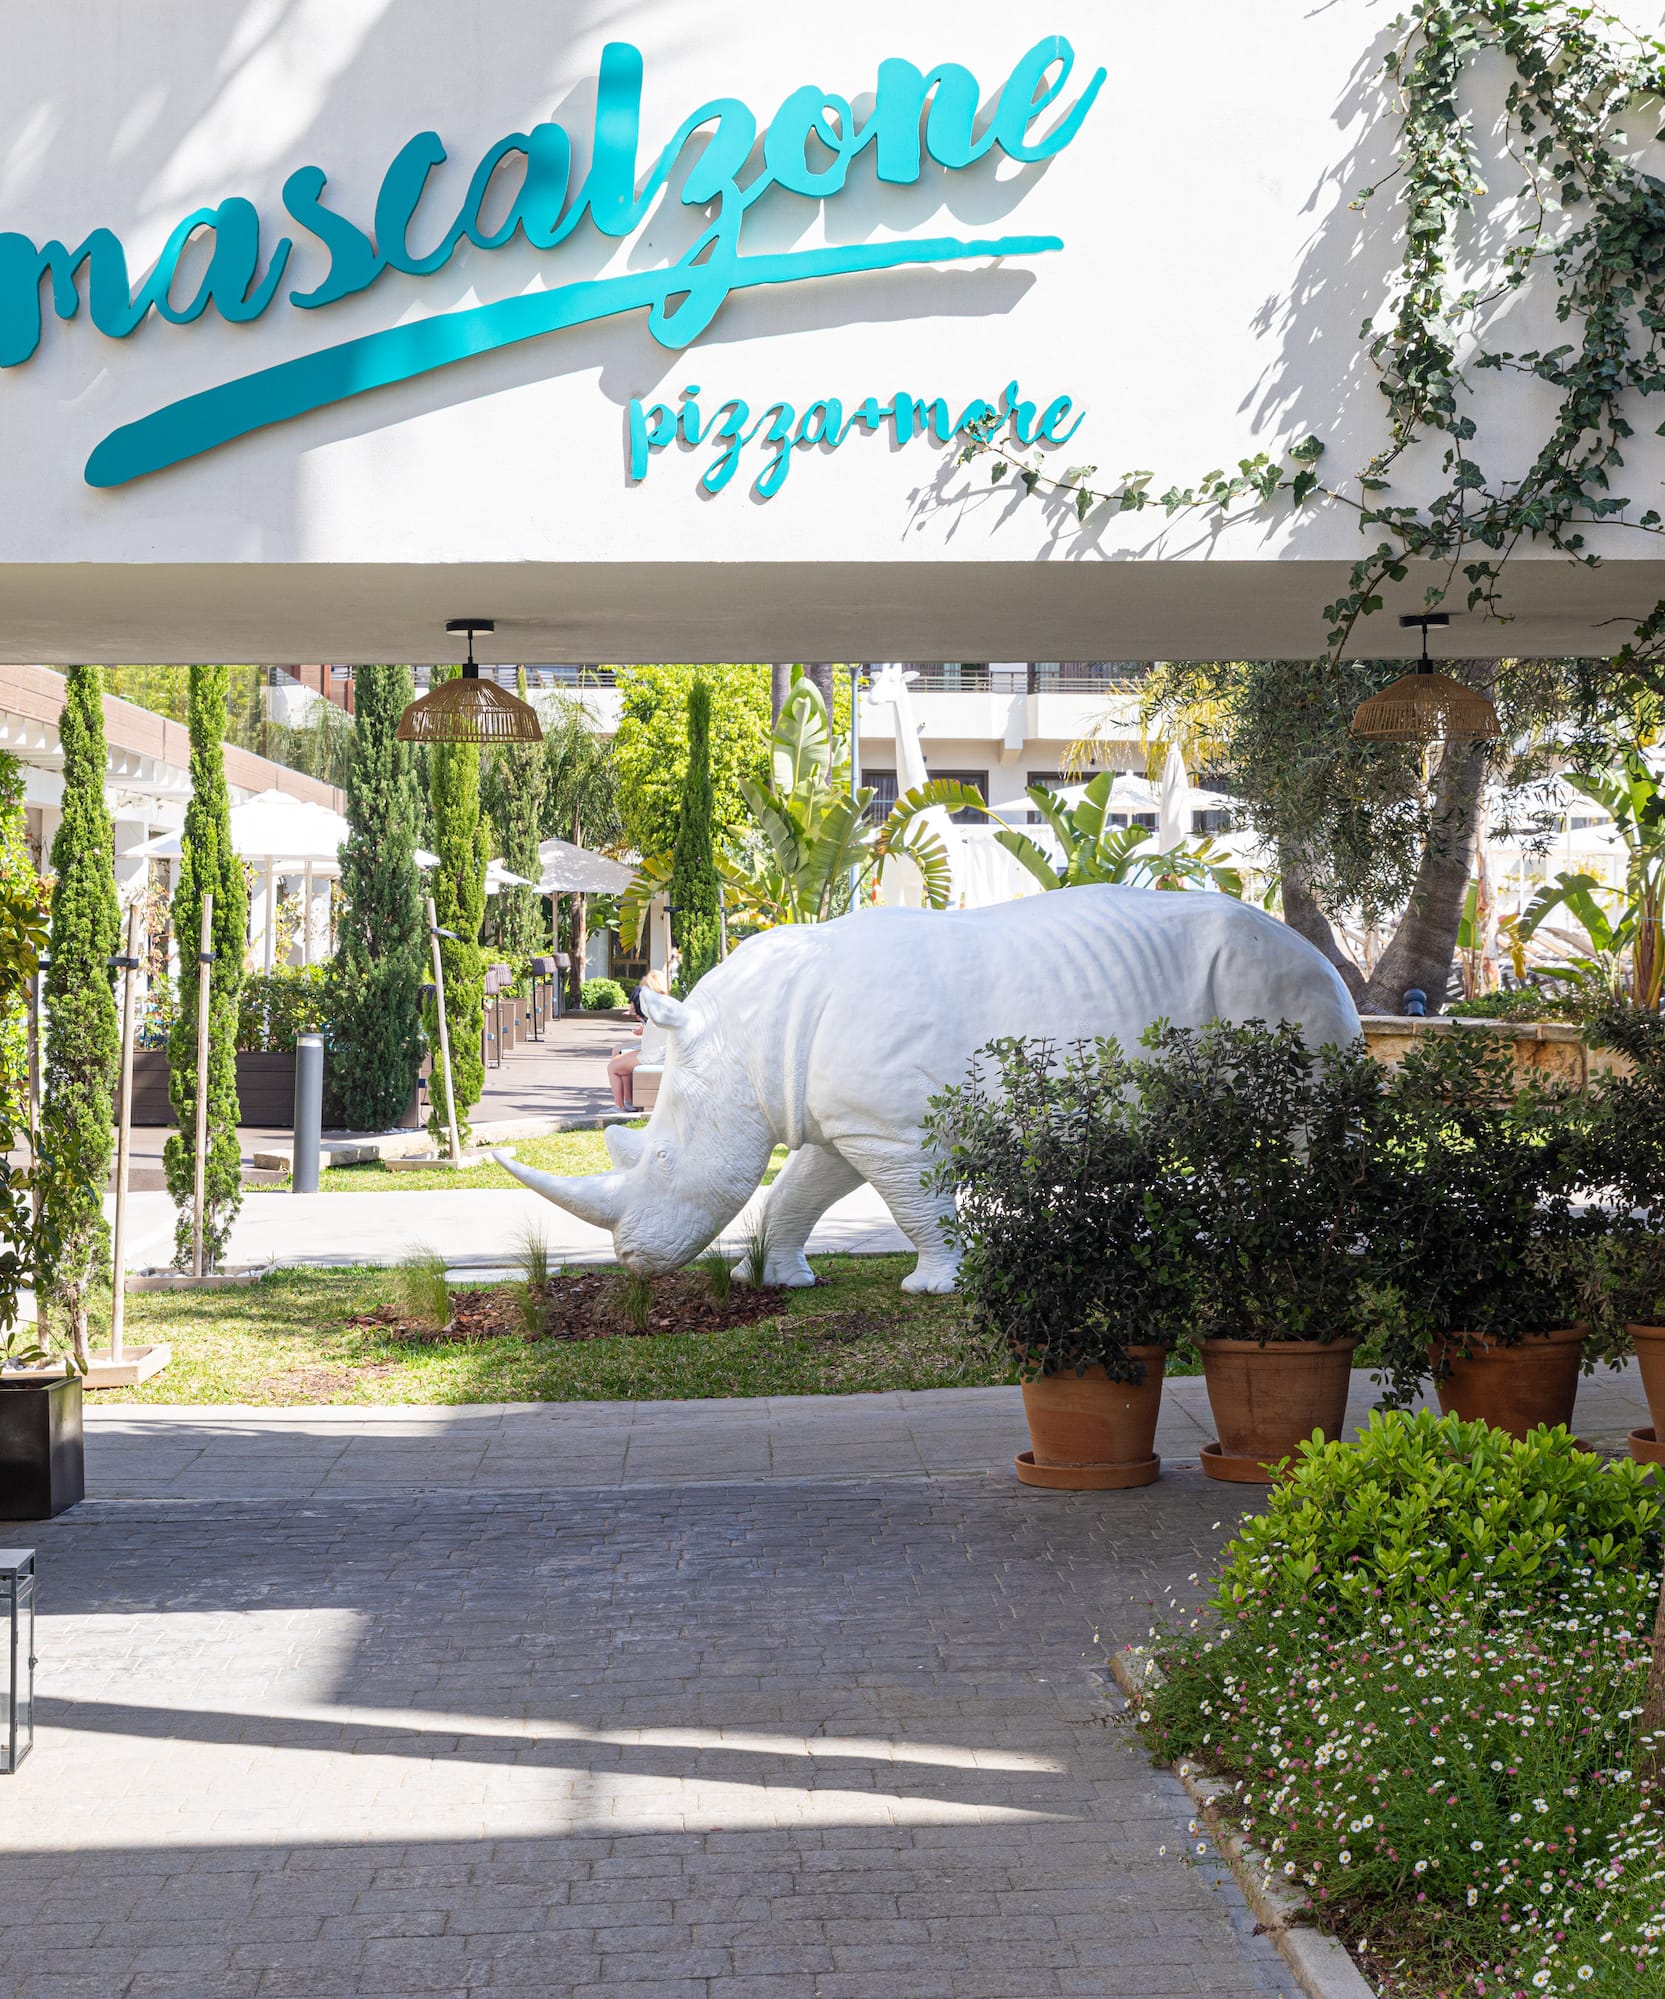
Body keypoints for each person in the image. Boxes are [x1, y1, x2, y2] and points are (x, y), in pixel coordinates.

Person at [606, 968, 670, 1110]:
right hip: (658, 1052)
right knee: (620, 1055)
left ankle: (620, 1106)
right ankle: (628, 1101)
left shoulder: (654, 1006)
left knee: (613, 1067)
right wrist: (644, 1028)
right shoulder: (666, 1005)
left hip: (652, 1056)